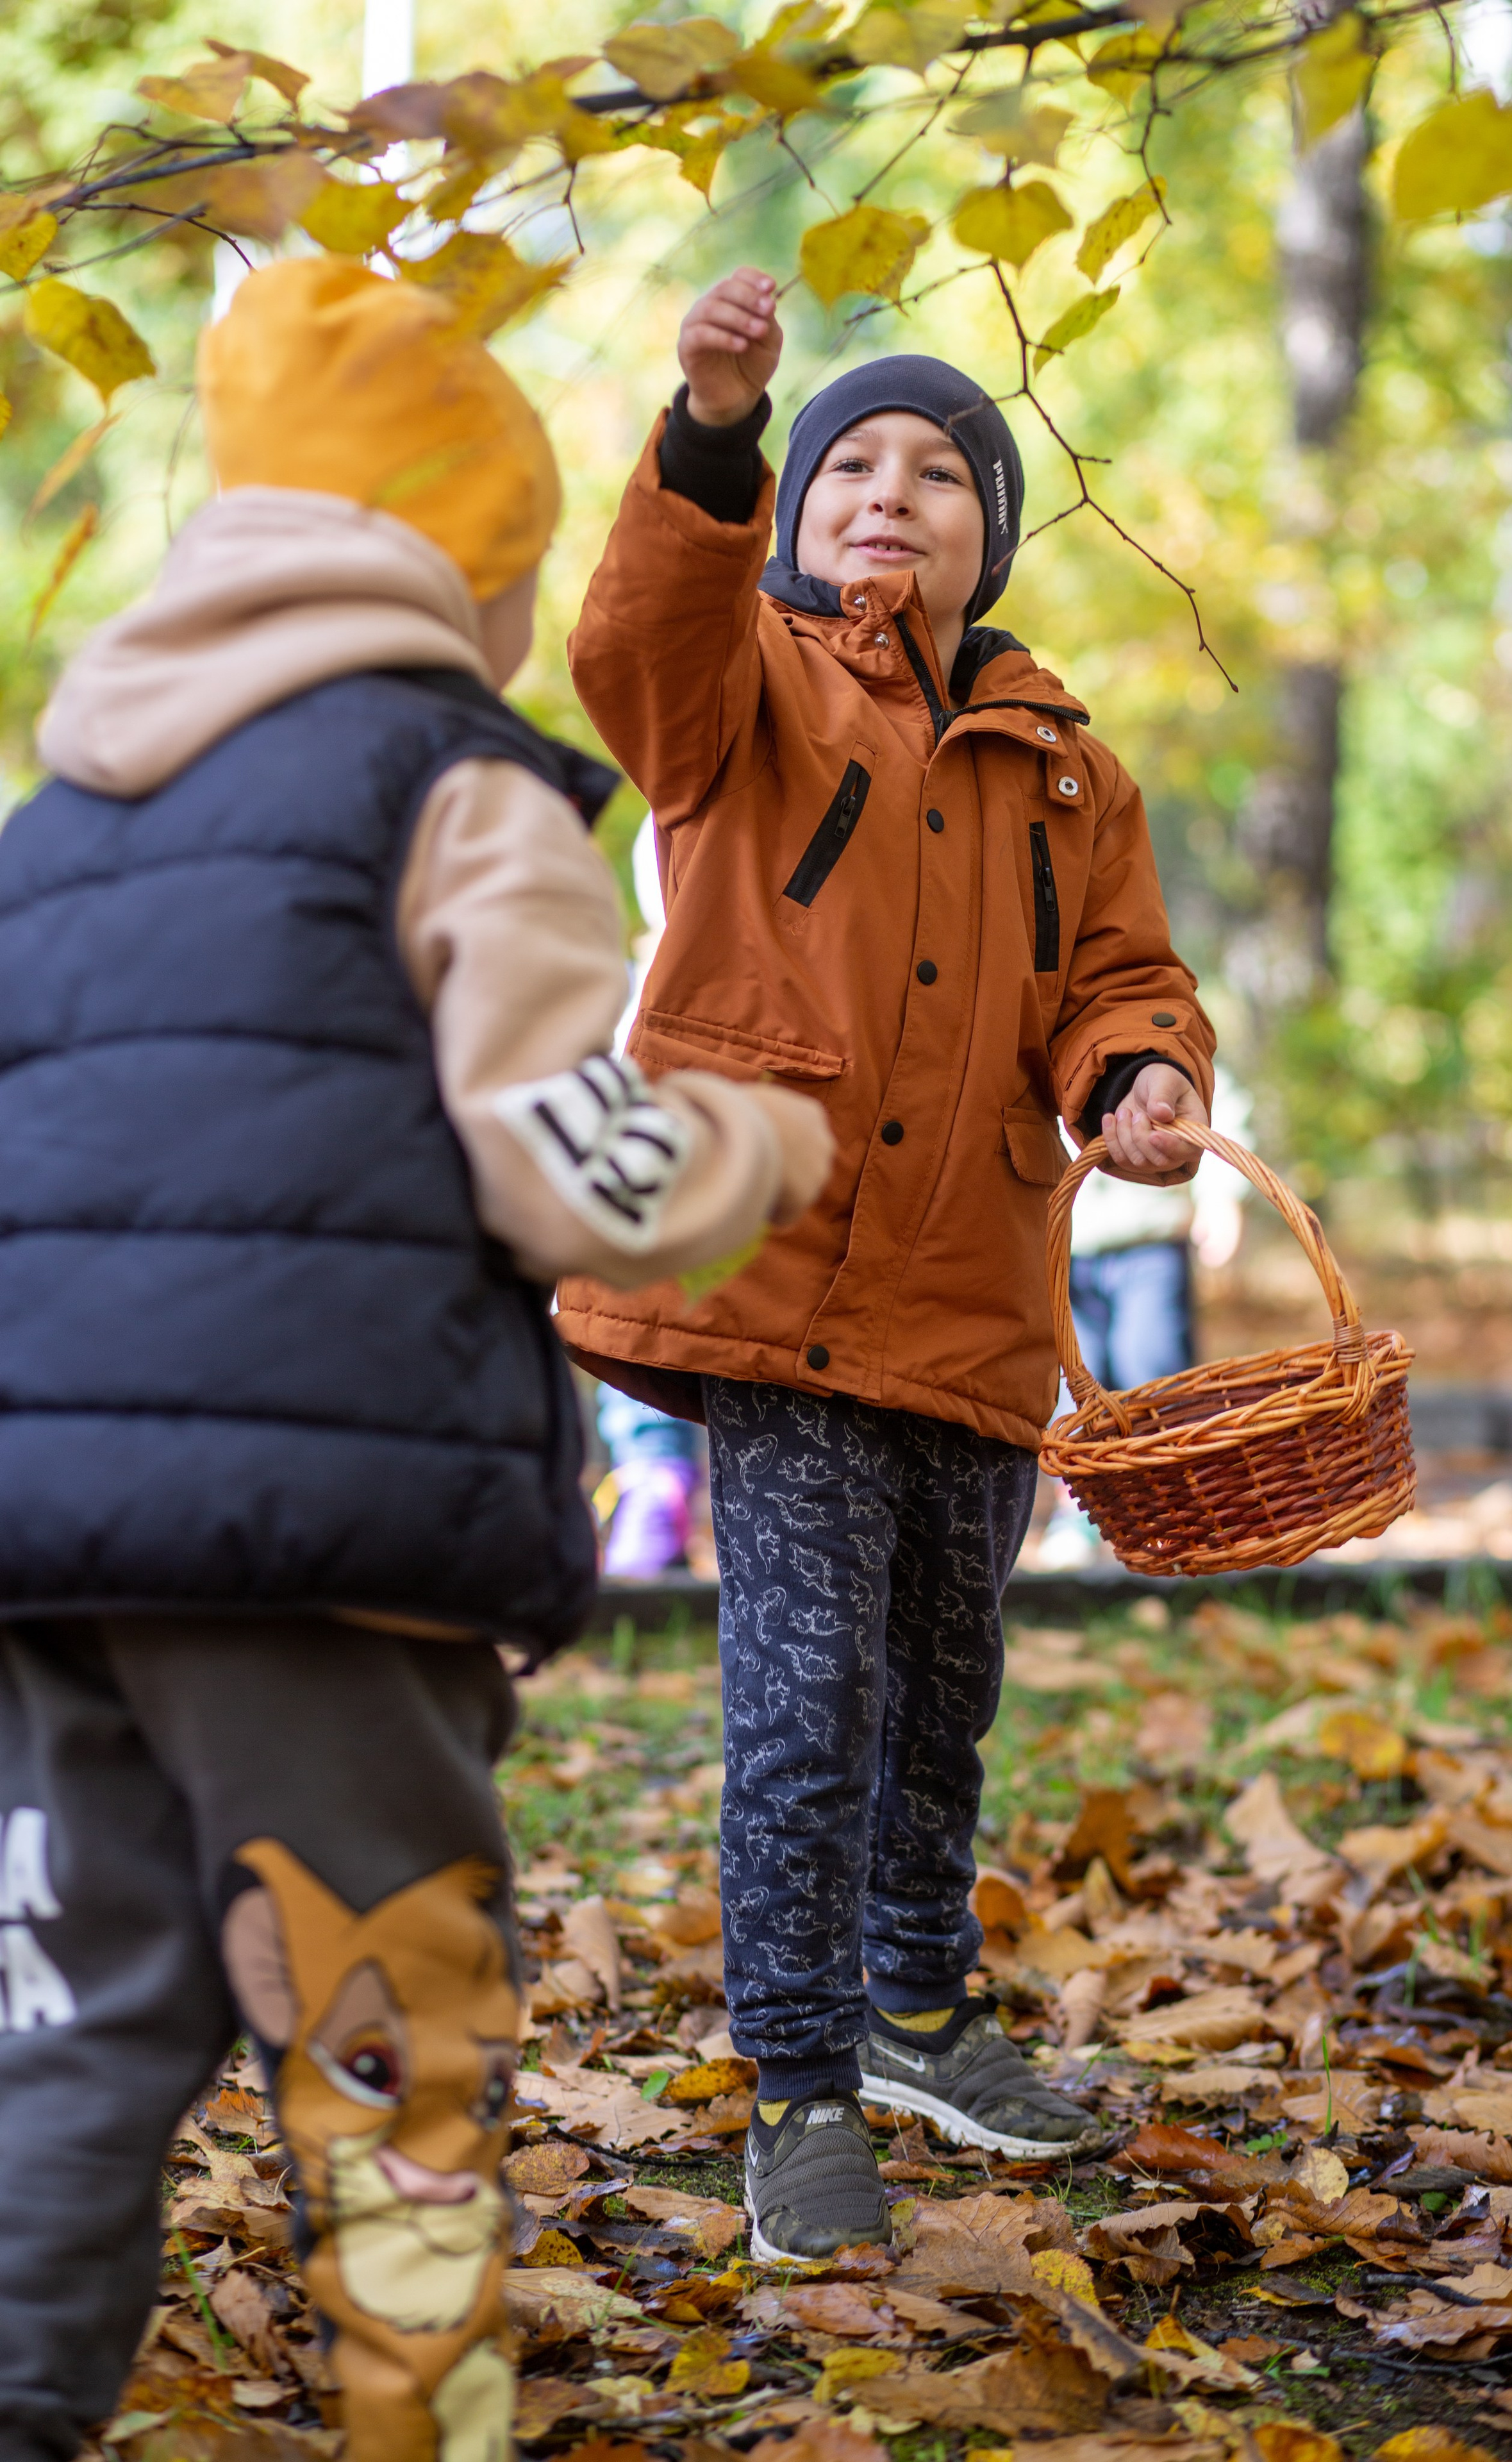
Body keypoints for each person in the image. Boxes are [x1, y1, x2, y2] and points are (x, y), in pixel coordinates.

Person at [0, 256, 831, 2462]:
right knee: (393, 2038)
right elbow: (580, 1172)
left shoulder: (59, 825)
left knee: (76, 2023)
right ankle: (423, 2429)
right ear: (470, 555)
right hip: (325, 1546)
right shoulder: (456, 787)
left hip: (51, 1545)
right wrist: (769, 1132)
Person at [557, 268, 1218, 2261]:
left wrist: (1140, 1075)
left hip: (973, 1301)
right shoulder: (739, 683)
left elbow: (1117, 975)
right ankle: (803, 2081)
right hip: (773, 1273)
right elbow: (632, 648)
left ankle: (923, 2008)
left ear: (987, 533)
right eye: (850, 463)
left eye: (941, 472)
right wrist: (707, 431)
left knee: (945, 1690)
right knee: (803, 1692)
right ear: (793, 509)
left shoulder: (1064, 766)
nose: (890, 494)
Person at [1038, 1072, 1253, 1568]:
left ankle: (1173, 1509)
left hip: (1149, 1235)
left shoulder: (1144, 1021)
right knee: (1073, 1386)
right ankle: (1081, 1512)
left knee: (1155, 1371)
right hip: (1061, 1240)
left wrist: (1220, 1197)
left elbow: (1215, 1094)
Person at [598, 816, 709, 1578]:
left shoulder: (637, 982)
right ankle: (659, 1483)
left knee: (636, 1333)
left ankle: (655, 1481)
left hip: (653, 1190)